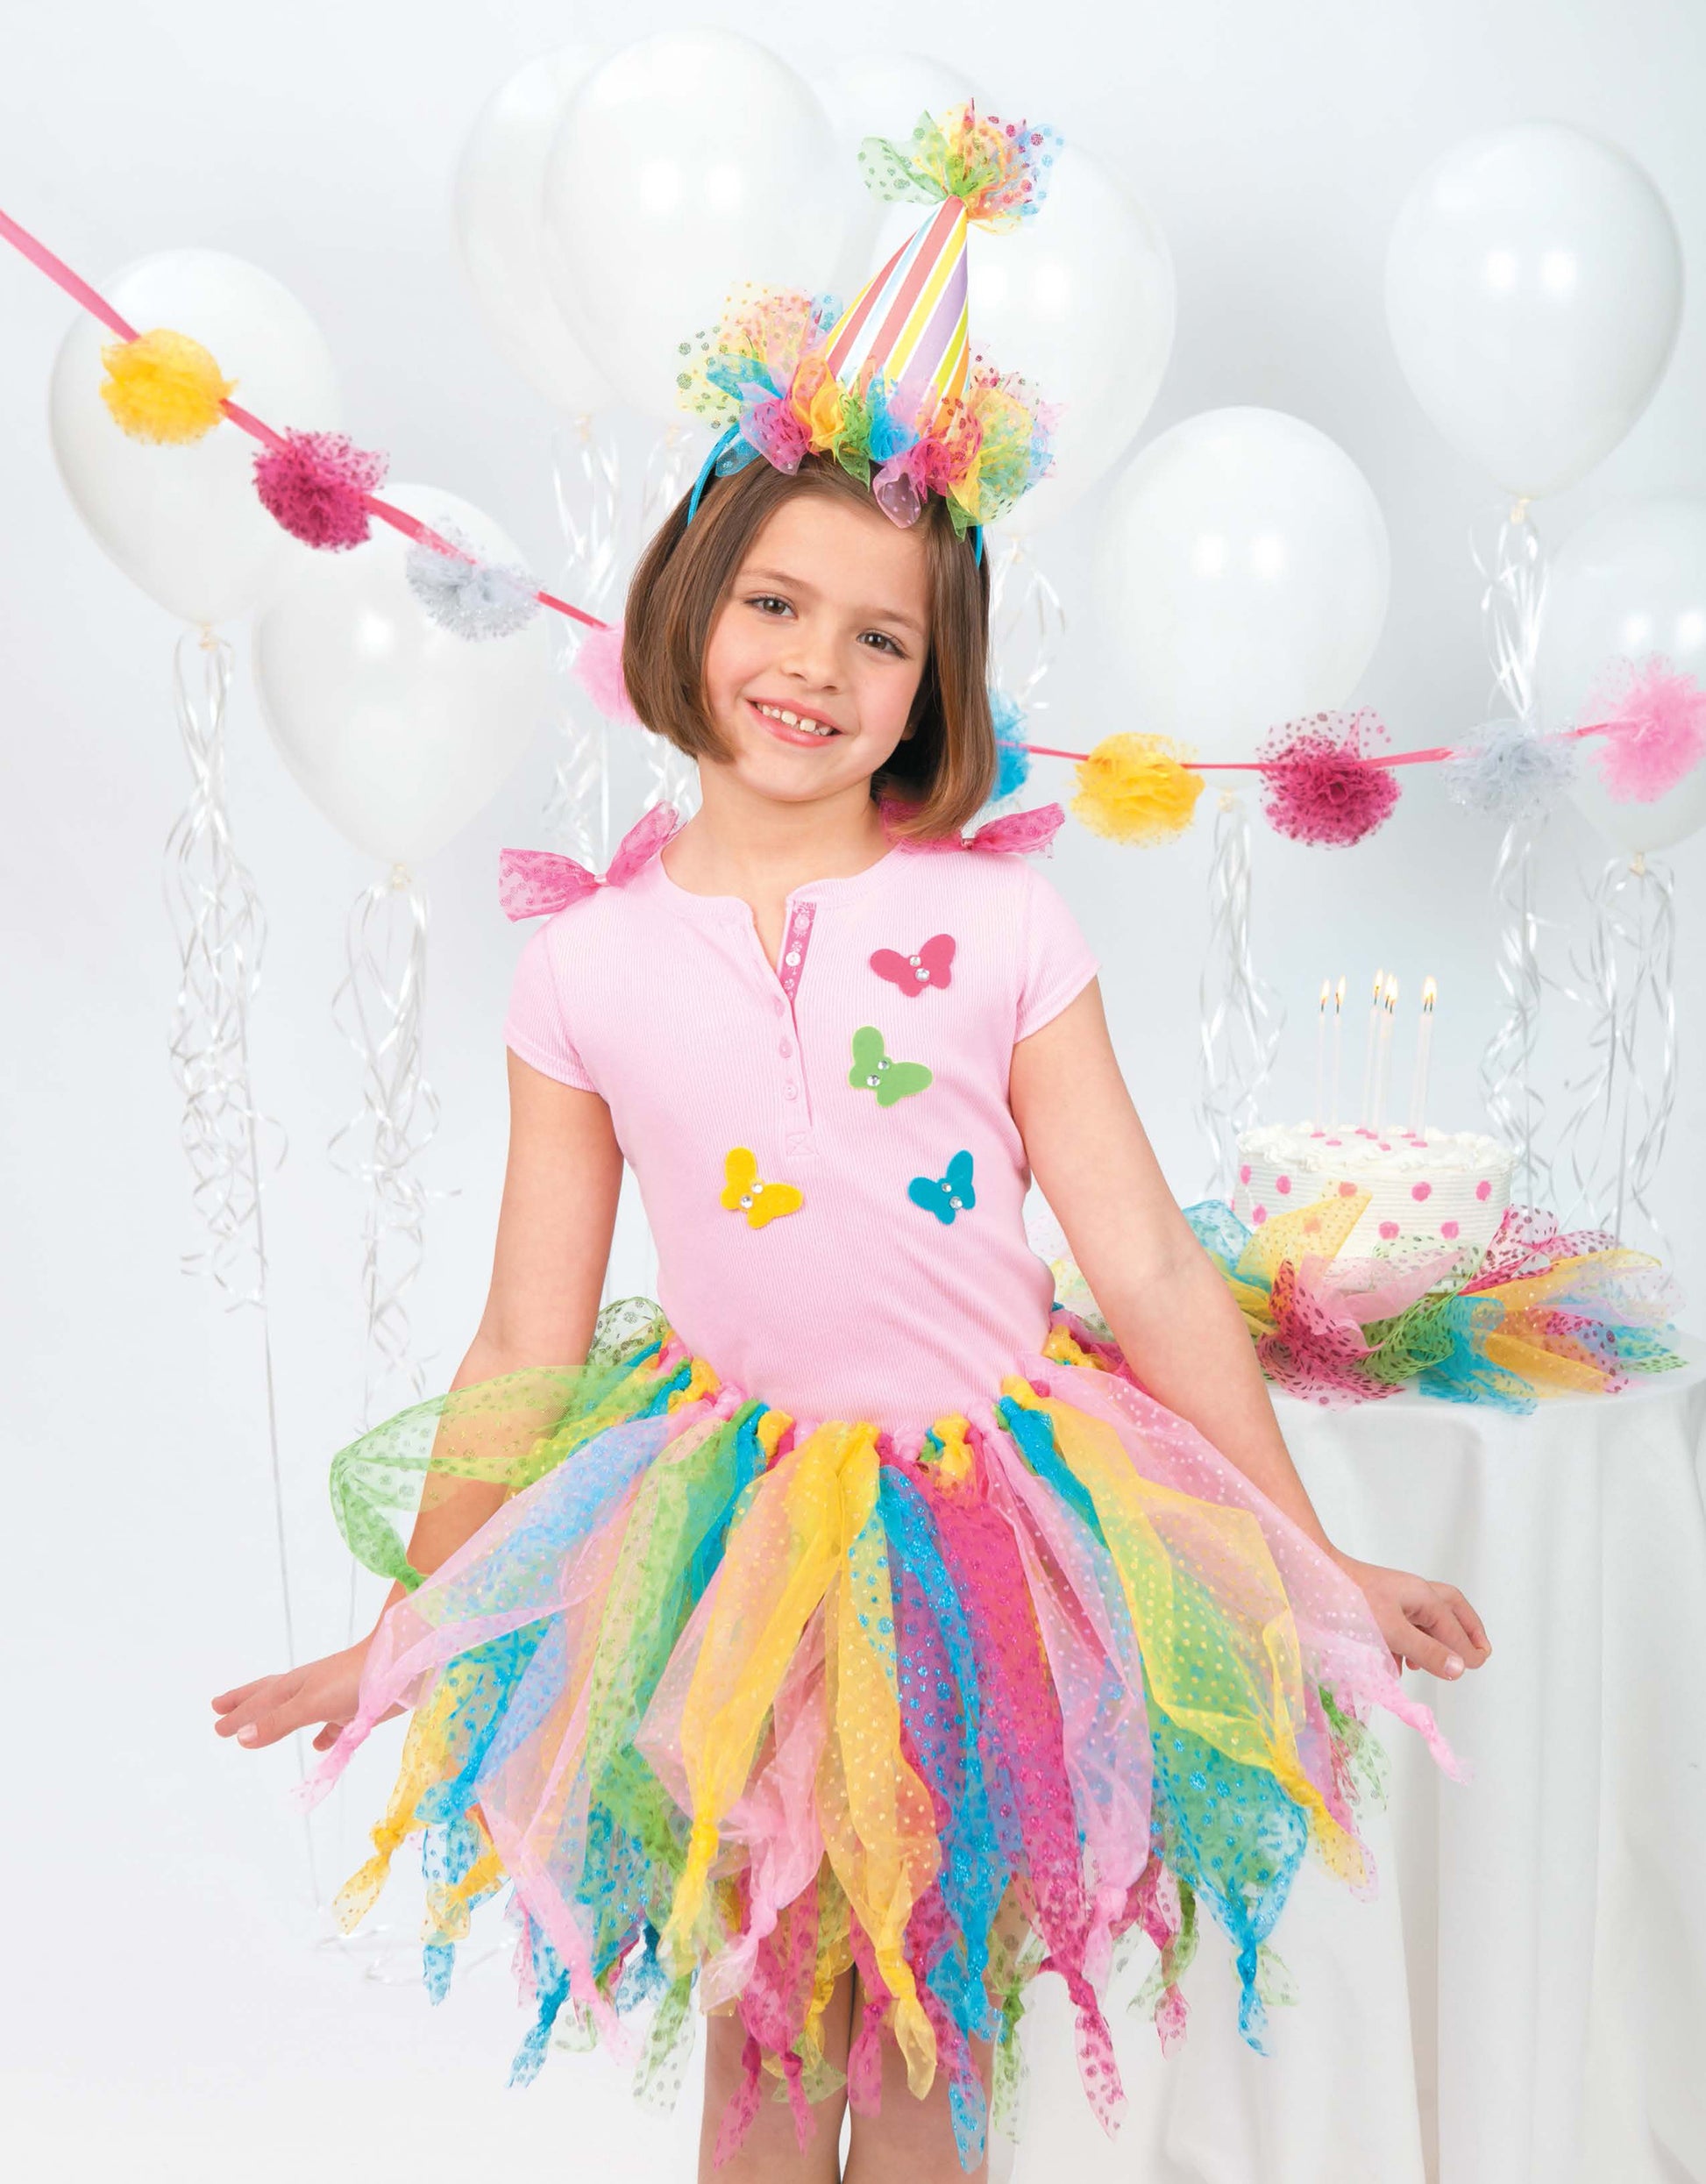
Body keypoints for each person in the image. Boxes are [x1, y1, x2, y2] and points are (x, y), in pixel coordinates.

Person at [212, 103, 1489, 2183]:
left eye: (879, 636)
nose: (817, 664)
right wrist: (419, 1621)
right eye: (779, 608)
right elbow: (525, 1337)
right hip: (731, 1547)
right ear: (689, 608)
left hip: (984, 1529)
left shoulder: (999, 923)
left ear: (934, 683)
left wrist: (1309, 1557)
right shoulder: (590, 968)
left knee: (921, 2063)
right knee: (766, 2062)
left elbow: (1149, 1262)